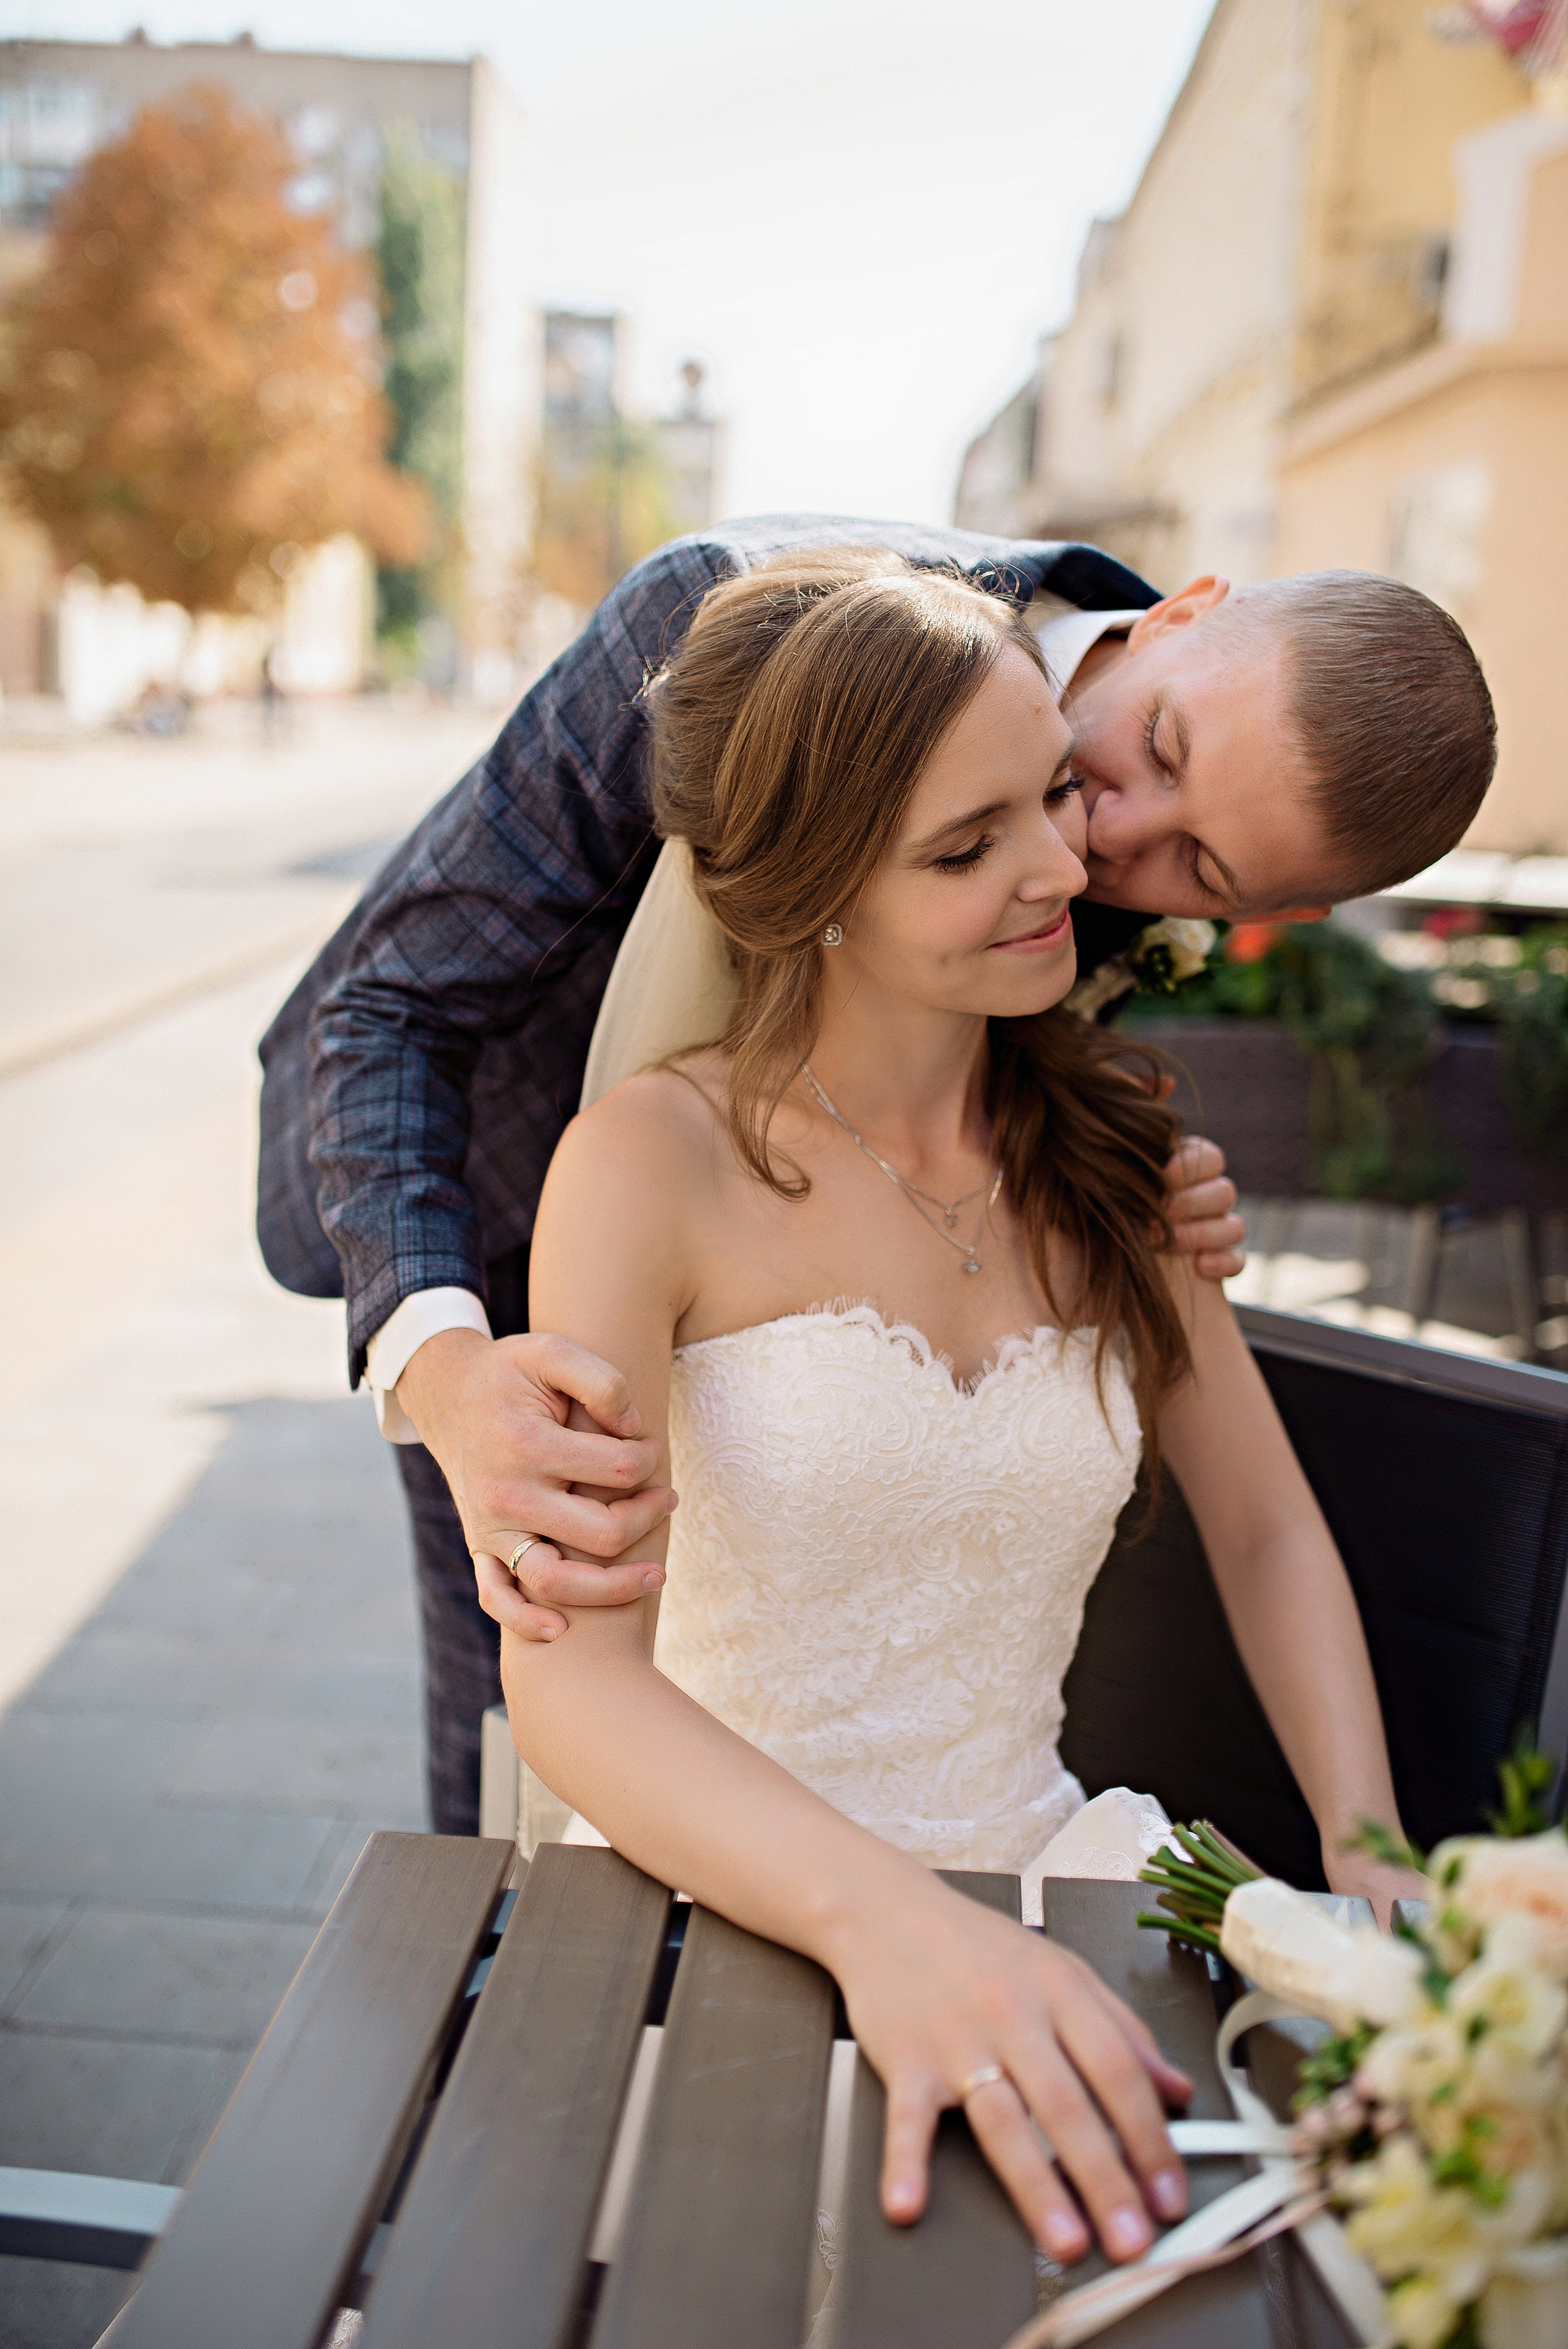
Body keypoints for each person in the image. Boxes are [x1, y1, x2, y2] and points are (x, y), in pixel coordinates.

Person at [255, 515, 1496, 1834]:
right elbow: (389, 1008)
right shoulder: (709, 626)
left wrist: (1128, 1181)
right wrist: (441, 1367)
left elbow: (971, 1054)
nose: (1096, 851)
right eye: (1160, 750)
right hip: (486, 1227)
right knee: (507, 1770)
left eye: (1196, 868)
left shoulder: (1094, 876)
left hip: (867, 1266)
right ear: (1181, 612)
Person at [502, 549, 1423, 2282]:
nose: (1070, 867)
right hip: (714, 1912)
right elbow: (567, 1675)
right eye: (968, 844)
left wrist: (1372, 1854)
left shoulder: (1126, 1169)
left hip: (1056, 1880)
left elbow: (1267, 1523)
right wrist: (894, 1931)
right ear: (817, 889)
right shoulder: (647, 1165)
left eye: (1054, 798)